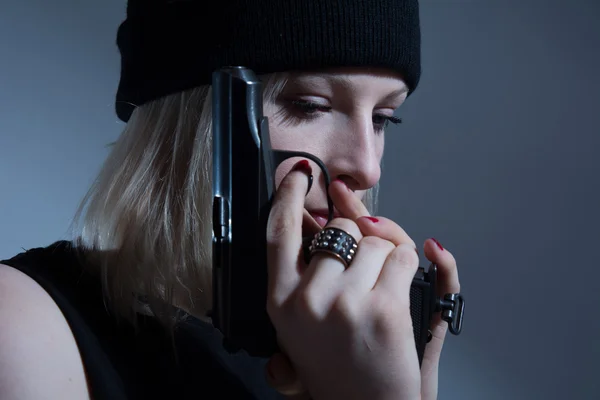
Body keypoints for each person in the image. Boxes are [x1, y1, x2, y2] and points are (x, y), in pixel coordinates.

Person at [0, 0, 462, 399]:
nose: (367, 166)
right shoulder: (21, 326)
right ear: (192, 115)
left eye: (384, 118)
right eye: (309, 106)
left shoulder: (338, 350)